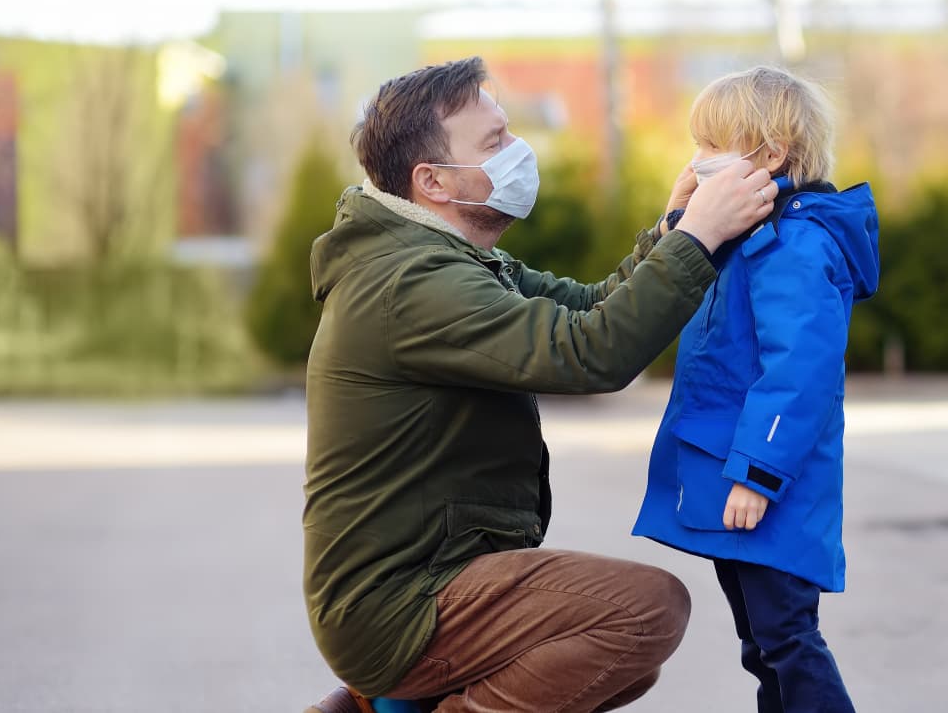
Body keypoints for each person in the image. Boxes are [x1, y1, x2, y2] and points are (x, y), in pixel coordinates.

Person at [301, 57, 781, 713]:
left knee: (616, 667)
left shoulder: (446, 259)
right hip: (399, 604)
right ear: (433, 180)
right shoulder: (410, 285)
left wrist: (672, 230)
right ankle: (390, 697)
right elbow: (592, 354)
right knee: (644, 613)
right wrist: (700, 238)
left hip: (423, 581)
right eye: (494, 144)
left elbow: (585, 310)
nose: (517, 153)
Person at [631, 66, 880, 713]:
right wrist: (677, 221)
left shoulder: (794, 245)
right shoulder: (746, 238)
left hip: (767, 484)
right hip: (737, 475)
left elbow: (800, 373)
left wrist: (759, 471)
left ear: (771, 155)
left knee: (787, 639)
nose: (697, 161)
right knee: (763, 643)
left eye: (712, 148)